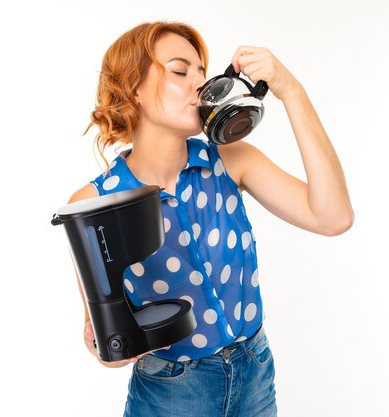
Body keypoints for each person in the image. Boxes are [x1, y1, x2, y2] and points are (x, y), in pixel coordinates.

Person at [66, 21, 354, 417]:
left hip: (253, 373)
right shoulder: (95, 202)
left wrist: (292, 93)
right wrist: (106, 341)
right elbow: (109, 350)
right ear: (134, 88)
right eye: (181, 71)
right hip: (171, 394)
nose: (199, 85)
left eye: (202, 73)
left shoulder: (233, 162)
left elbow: (333, 217)